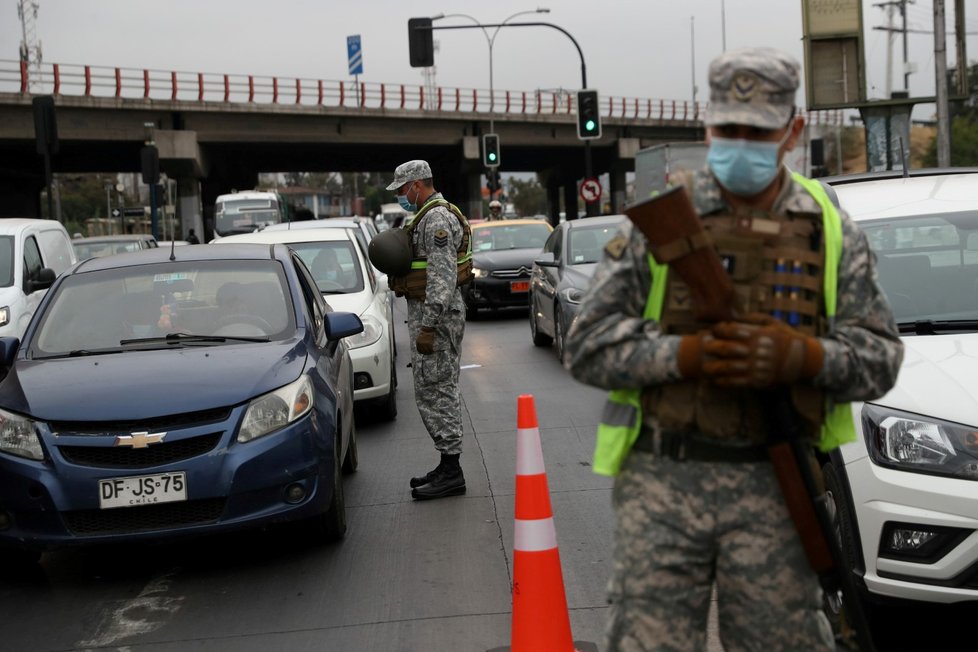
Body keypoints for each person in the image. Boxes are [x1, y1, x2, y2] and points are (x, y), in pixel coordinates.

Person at [563, 47, 904, 651]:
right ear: (708, 126)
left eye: (758, 131)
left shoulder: (830, 228)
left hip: (779, 483)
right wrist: (683, 357)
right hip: (664, 482)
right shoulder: (660, 224)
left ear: (792, 132)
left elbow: (880, 356)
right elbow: (585, 345)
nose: (739, 142)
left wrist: (804, 358)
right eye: (728, 130)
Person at [384, 160, 472, 500]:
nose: (402, 197)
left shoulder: (436, 219)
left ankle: (452, 471)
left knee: (438, 391)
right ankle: (446, 463)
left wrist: (428, 327)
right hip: (431, 319)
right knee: (431, 390)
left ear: (417, 185)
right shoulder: (428, 215)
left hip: (436, 321)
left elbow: (441, 278)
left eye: (404, 190)